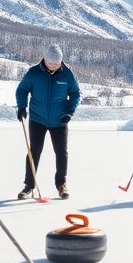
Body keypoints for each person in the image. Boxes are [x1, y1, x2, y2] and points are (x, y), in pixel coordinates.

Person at [16, 43, 82, 200]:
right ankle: (29, 186)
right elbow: (22, 89)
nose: (54, 66)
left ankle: (61, 185)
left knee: (61, 153)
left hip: (59, 120)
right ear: (44, 60)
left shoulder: (67, 74)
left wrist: (69, 112)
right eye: (51, 63)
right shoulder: (33, 73)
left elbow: (75, 94)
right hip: (37, 119)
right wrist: (21, 106)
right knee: (34, 152)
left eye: (57, 63)